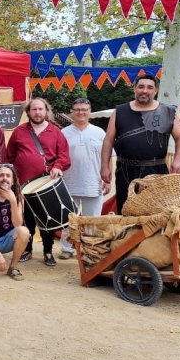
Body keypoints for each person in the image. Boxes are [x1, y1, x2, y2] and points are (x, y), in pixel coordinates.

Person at [101, 75, 180, 213]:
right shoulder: (120, 111)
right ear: (135, 89)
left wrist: (178, 159)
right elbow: (108, 140)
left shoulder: (168, 112)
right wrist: (105, 166)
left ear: (155, 91)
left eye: (149, 87)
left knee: (157, 213)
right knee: (126, 211)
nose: (145, 90)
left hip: (156, 171)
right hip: (125, 171)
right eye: (141, 87)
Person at [6, 98, 71, 266]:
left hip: (46, 183)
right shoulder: (19, 131)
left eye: (40, 109)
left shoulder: (55, 132)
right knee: (26, 218)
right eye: (34, 109)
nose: (37, 112)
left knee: (46, 218)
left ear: (46, 110)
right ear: (28, 112)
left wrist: (57, 166)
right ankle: (26, 249)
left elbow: (64, 155)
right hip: (24, 184)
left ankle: (48, 251)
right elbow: (9, 156)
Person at [60, 98, 110, 260]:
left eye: (84, 109)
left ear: (90, 111)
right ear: (72, 111)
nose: (81, 112)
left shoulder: (100, 133)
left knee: (92, 220)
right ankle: (67, 248)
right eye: (77, 109)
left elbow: (109, 157)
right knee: (69, 219)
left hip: (94, 182)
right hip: (68, 182)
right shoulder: (63, 133)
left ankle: (91, 250)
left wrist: (108, 179)